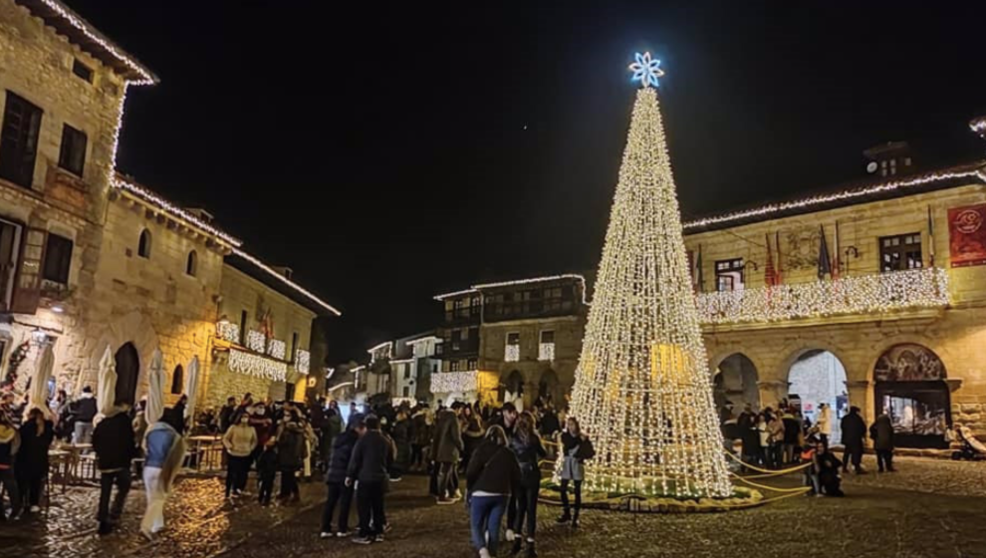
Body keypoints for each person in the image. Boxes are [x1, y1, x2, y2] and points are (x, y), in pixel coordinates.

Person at [467, 425, 520, 558]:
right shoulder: (508, 454)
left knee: (476, 525)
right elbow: (517, 475)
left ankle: (483, 550)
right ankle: (493, 553)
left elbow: (471, 472)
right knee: (494, 526)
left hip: (481, 492)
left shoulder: (481, 450)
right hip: (502, 493)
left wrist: (470, 487)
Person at [141, 408, 186, 539]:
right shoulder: (175, 436)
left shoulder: (150, 431)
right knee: (159, 498)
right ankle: (147, 526)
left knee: (152, 496)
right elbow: (178, 456)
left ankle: (158, 524)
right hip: (163, 468)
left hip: (148, 467)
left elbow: (144, 447)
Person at [347, 414, 393, 545]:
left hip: (365, 477)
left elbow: (355, 460)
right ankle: (379, 533)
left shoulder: (362, 440)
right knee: (378, 506)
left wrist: (350, 475)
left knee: (364, 507)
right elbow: (390, 458)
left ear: (366, 426)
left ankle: (365, 534)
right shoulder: (385, 440)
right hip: (380, 477)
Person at [92, 403, 137, 535]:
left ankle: (102, 516)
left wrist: (101, 454)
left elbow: (95, 441)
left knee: (105, 492)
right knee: (124, 487)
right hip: (121, 462)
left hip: (105, 463)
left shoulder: (102, 424)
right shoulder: (125, 424)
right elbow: (130, 441)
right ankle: (115, 512)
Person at [320, 413, 362, 538]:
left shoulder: (338, 438)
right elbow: (352, 460)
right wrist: (352, 475)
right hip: (344, 475)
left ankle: (325, 528)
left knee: (330, 502)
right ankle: (342, 528)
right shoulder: (354, 441)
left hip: (332, 473)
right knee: (345, 502)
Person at [511, 412, 546, 557]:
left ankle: (517, 540)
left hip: (519, 473)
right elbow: (543, 453)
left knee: (520, 508)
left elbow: (510, 453)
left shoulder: (513, 438)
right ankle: (530, 544)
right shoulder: (534, 438)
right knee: (531, 509)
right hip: (531, 473)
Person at [16, 408, 53, 514]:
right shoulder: (47, 428)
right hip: (40, 460)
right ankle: (34, 503)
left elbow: (20, 441)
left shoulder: (26, 427)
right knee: (36, 483)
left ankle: (21, 501)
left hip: (25, 460)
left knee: (22, 482)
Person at [557, 417, 592, 528]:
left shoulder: (582, 437)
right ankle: (567, 511)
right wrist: (580, 440)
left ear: (576, 425)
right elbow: (568, 443)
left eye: (572, 424)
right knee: (563, 488)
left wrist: (583, 448)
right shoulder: (566, 436)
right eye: (569, 424)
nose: (570, 427)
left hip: (577, 464)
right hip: (568, 463)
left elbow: (590, 451)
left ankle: (576, 516)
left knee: (577, 491)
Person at [433, 403, 464, 504]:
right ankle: (442, 495)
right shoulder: (453, 418)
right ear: (457, 409)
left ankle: (451, 492)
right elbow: (456, 436)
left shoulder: (442, 417)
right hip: (450, 450)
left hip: (441, 449)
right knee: (446, 473)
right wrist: (461, 446)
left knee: (447, 472)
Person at [222, 411, 258, 499]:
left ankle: (238, 489)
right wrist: (229, 447)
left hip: (246, 454)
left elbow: (254, 440)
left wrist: (251, 448)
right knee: (232, 473)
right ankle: (228, 490)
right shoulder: (233, 428)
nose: (245, 419)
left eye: (247, 417)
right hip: (234, 453)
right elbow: (225, 438)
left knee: (243, 473)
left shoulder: (251, 429)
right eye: (243, 417)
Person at [275, 408, 307, 503]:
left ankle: (287, 494)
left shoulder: (290, 429)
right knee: (287, 475)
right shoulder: (296, 429)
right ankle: (287, 493)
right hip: (291, 455)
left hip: (289, 455)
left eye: (287, 415)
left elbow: (285, 442)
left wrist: (278, 441)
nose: (285, 417)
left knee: (288, 475)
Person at [0, 413, 21, 521]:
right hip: (6, 462)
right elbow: (16, 447)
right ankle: (16, 509)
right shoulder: (12, 431)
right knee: (12, 488)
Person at [840, 406, 867, 474]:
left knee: (846, 453)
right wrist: (862, 436)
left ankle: (844, 467)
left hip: (847, 439)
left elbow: (842, 427)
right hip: (856, 439)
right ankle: (856, 467)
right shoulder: (858, 418)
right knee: (856, 453)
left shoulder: (845, 418)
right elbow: (863, 428)